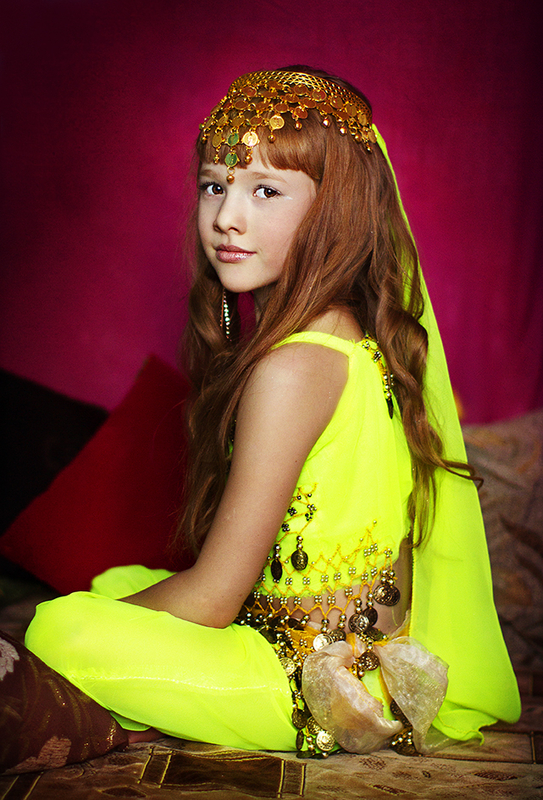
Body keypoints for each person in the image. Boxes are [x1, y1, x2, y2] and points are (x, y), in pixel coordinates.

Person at [18, 67, 520, 760]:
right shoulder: (348, 336)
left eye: (265, 191)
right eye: (213, 186)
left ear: (333, 211)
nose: (227, 216)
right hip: (355, 657)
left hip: (308, 684)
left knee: (56, 628)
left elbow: (213, 599)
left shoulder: (290, 371)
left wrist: (91, 623)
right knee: (115, 586)